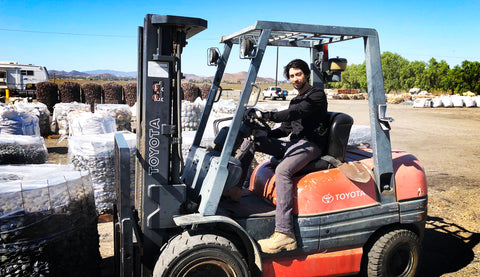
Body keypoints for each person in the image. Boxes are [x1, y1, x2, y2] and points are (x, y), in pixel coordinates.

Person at [241, 59, 329, 254]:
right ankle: (234, 191)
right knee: (253, 141)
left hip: (311, 145)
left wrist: (268, 115)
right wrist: (264, 133)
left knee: (283, 170)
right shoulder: (295, 99)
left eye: (298, 74)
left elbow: (295, 112)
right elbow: (286, 128)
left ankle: (285, 234)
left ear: (306, 74)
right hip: (294, 143)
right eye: (291, 76)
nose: (295, 79)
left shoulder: (316, 95)